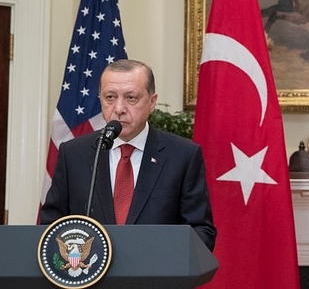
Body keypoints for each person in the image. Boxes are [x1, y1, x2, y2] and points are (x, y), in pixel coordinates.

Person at [40, 59, 216, 251]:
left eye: (131, 98)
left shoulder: (183, 156)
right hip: (89, 276)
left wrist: (165, 260)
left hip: (155, 277)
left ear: (152, 102)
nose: (119, 108)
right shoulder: (74, 154)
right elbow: (51, 226)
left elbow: (201, 231)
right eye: (110, 97)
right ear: (100, 99)